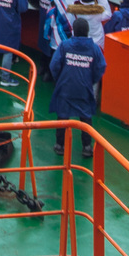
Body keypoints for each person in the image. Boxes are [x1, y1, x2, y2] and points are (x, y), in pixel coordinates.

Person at [47, 29, 106, 160]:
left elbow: (54, 64)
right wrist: (92, 80)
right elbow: (101, 66)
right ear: (86, 33)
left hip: (66, 86)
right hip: (84, 88)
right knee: (85, 117)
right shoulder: (94, 48)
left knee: (62, 116)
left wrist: (59, 78)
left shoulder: (65, 45)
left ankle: (59, 145)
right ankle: (87, 147)